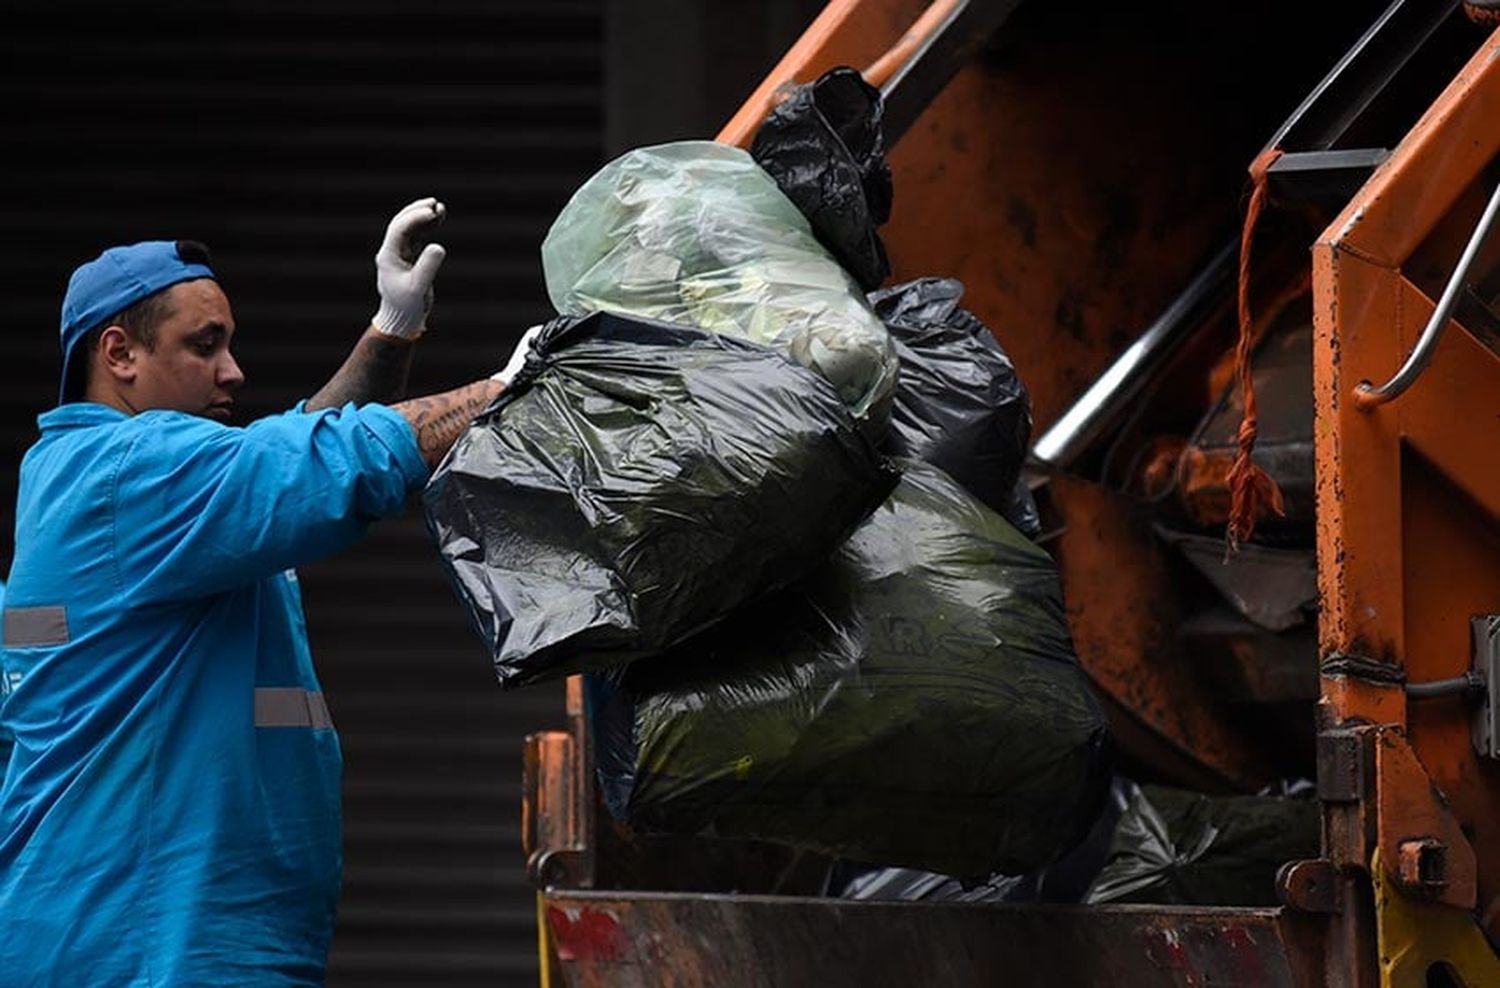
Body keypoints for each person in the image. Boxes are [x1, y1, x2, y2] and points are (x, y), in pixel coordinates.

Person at [0, 199, 537, 986]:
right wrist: (505, 386)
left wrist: (390, 332)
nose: (232, 371)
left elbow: (287, 453)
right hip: (151, 945)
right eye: (203, 345)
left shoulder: (118, 487)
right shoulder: (128, 474)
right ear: (118, 353)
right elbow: (312, 467)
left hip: (160, 932)